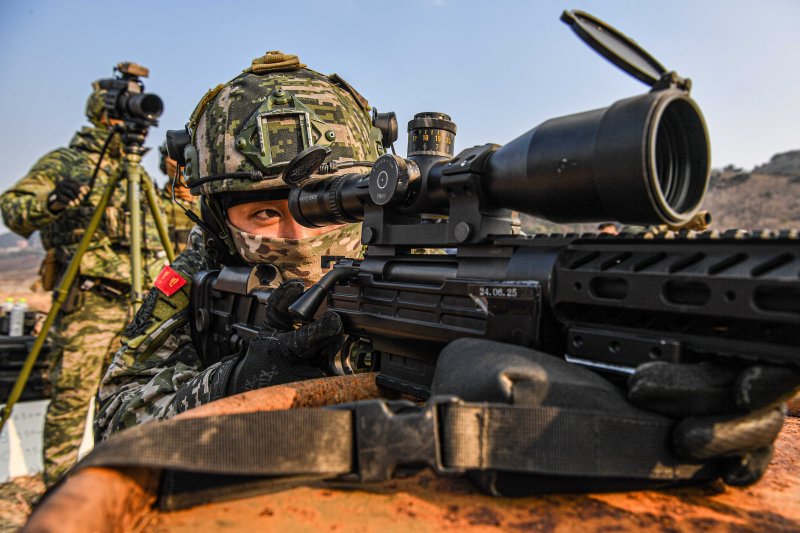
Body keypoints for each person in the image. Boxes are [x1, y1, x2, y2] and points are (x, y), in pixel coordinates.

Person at [95, 51, 384, 439]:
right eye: (265, 213)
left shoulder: (418, 262)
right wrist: (231, 385)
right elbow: (114, 416)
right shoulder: (204, 268)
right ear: (218, 217)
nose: (299, 237)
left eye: (326, 207)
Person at [0, 78, 168, 485]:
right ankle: (62, 489)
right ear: (106, 115)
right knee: (73, 401)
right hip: (89, 303)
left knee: (134, 394)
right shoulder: (69, 162)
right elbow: (12, 209)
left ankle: (119, 480)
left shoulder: (136, 172)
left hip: (139, 303)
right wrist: (52, 201)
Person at [158, 143, 199, 253]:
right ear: (164, 162)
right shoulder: (154, 203)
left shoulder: (208, 205)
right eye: (172, 158)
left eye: (182, 158)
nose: (177, 164)